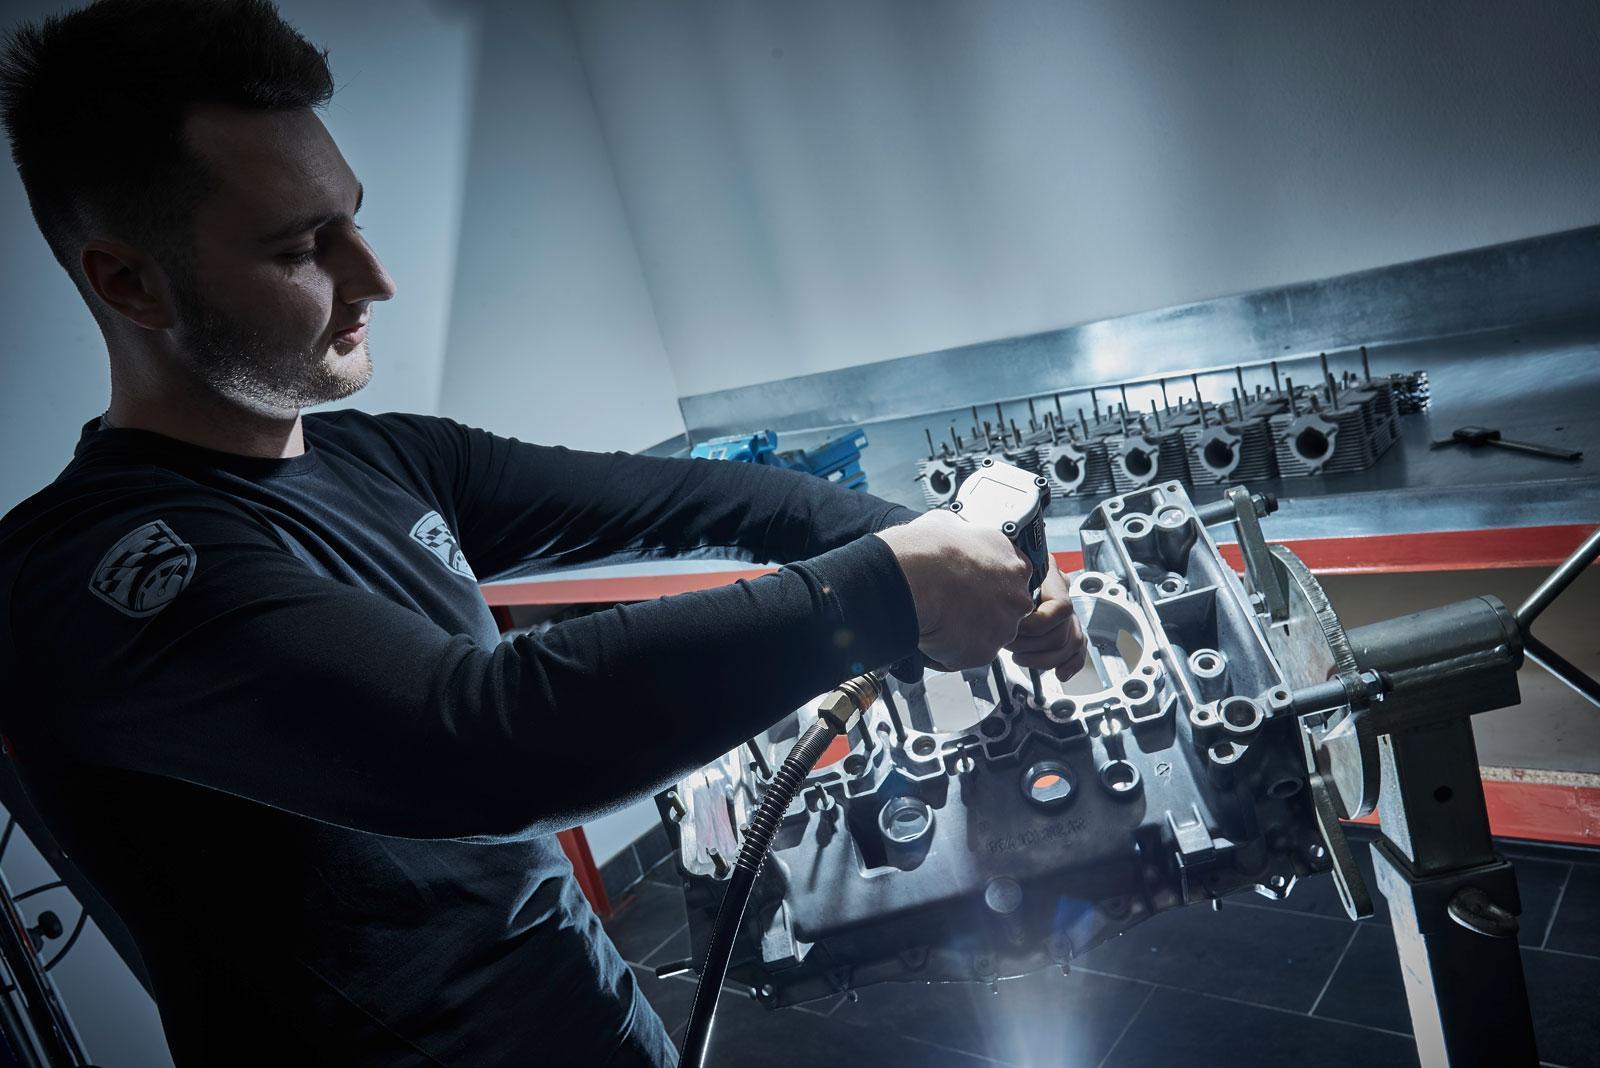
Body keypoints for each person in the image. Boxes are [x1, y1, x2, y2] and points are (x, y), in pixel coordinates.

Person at [0, 1, 1087, 1064]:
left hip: (595, 1018)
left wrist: (958, 557)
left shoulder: (386, 457)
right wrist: (893, 592)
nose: (374, 279)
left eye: (353, 218)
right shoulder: (88, 576)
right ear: (129, 282)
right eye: (300, 249)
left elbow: (715, 503)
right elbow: (479, 740)